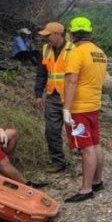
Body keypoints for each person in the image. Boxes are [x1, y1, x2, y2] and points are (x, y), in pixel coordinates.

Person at [62, 16, 107, 203]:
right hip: (94, 106)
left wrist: (66, 108)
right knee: (95, 145)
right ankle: (97, 181)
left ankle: (86, 189)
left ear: (72, 34)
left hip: (79, 108)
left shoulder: (76, 53)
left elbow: (72, 80)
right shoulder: (100, 53)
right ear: (89, 33)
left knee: (86, 148)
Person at [35, 22, 74, 173]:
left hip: (71, 97)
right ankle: (58, 162)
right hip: (52, 96)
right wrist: (38, 95)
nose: (46, 39)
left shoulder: (73, 50)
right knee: (51, 131)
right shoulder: (45, 50)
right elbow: (41, 74)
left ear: (57, 35)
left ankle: (84, 157)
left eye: (48, 35)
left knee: (76, 130)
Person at [0, 113, 46, 188]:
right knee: (2, 161)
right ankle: (27, 184)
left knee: (12, 133)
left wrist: (0, 130)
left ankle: (7, 167)